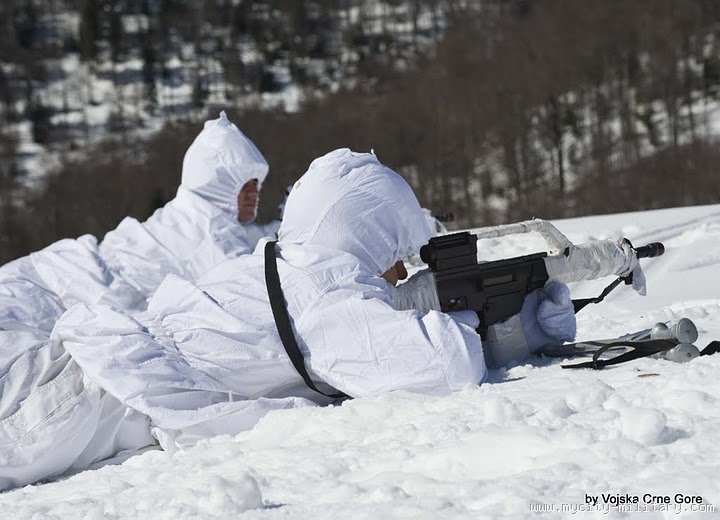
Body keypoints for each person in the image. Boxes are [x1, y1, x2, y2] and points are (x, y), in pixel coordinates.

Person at [0, 148, 575, 489]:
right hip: (82, 400)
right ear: (371, 232)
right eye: (396, 249)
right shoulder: (327, 297)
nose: (398, 268)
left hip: (75, 368)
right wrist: (505, 321)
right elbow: (445, 366)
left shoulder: (290, 259)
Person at [0, 111, 277, 336]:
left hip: (58, 268)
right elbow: (251, 285)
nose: (254, 194)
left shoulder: (190, 213)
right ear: (220, 185)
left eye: (256, 185)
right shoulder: (211, 231)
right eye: (244, 186)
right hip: (75, 290)